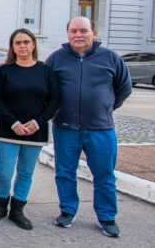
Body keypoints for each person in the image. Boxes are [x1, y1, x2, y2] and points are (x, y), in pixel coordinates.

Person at [46, 17, 132, 238]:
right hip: (65, 127)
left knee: (104, 174)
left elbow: (123, 88)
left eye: (83, 30)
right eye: (73, 31)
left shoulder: (110, 58)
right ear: (68, 34)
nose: (78, 35)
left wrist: (106, 108)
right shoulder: (56, 58)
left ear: (93, 33)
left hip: (101, 129)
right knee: (65, 172)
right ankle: (67, 211)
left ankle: (106, 217)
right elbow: (46, 88)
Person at [0, 28, 59, 230]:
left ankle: (17, 210)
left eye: (26, 42)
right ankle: (0, 206)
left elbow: (54, 99)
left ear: (33, 44)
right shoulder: (5, 71)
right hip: (8, 129)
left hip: (35, 130)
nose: (22, 46)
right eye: (18, 43)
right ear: (13, 47)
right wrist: (13, 123)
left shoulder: (45, 70)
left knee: (26, 173)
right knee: (4, 172)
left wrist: (39, 121)